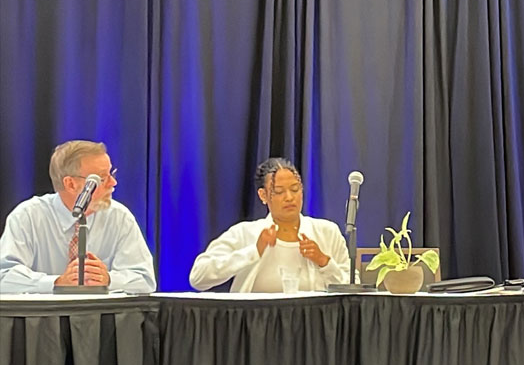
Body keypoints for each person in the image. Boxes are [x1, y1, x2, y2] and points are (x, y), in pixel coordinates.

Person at [0, 140, 156, 294]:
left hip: (100, 317)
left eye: (111, 173)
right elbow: (4, 277)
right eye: (101, 178)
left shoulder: (119, 217)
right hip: (44, 318)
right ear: (71, 184)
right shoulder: (28, 217)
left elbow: (145, 279)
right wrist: (57, 283)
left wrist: (108, 279)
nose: (113, 183)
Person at [189, 157, 350, 292]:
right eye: (279, 191)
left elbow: (352, 287)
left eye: (295, 189)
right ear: (263, 195)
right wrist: (253, 251)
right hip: (255, 324)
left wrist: (323, 261)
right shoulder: (245, 233)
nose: (289, 197)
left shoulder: (327, 232)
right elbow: (198, 277)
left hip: (312, 323)